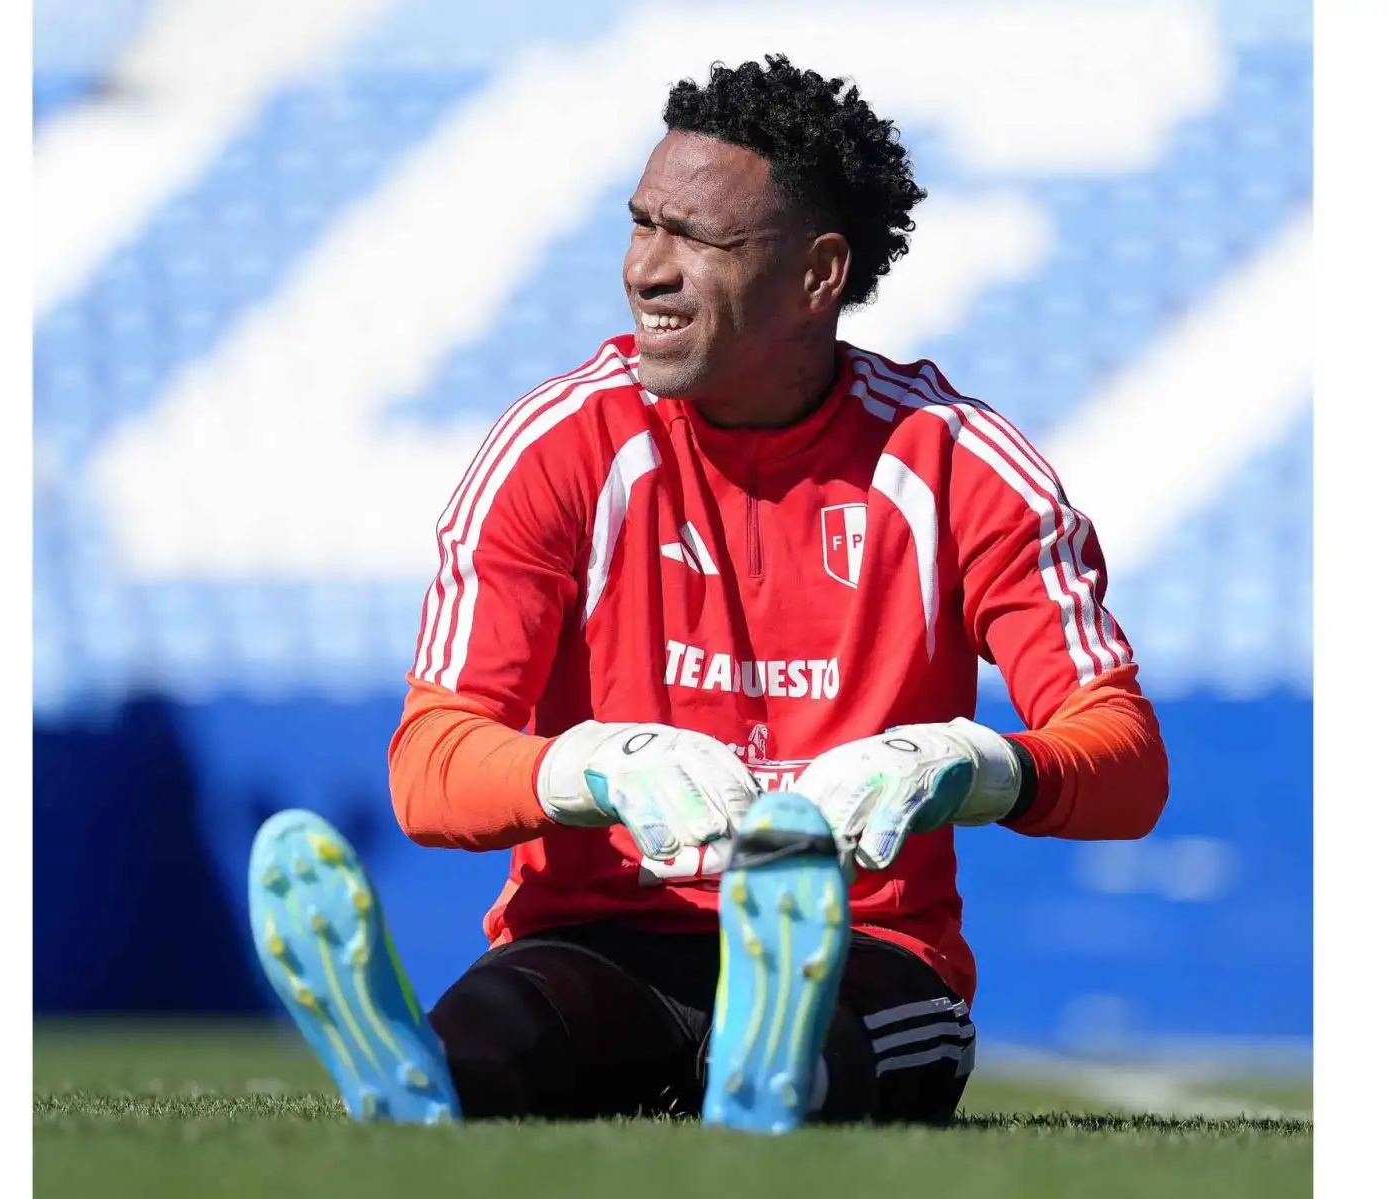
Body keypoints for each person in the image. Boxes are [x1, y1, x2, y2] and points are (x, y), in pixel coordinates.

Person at [247, 53, 1168, 1131]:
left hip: (863, 944)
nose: (647, 267)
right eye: (642, 224)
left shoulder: (959, 462)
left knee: (831, 1060)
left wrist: (971, 763)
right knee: (497, 1043)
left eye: (698, 238)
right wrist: (590, 765)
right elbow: (429, 763)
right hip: (600, 941)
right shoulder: (557, 449)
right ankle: (428, 1077)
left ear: (819, 274)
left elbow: (1127, 762)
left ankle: (774, 1054)